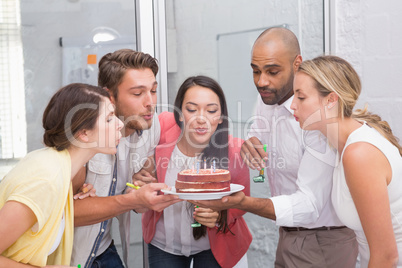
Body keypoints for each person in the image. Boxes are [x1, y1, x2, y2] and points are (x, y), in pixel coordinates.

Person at [192, 27, 358, 267]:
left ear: (297, 64)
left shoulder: (318, 116)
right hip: (289, 233)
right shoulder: (268, 97)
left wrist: (242, 203)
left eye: (272, 71)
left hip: (322, 239)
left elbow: (309, 206)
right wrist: (252, 144)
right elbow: (257, 134)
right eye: (256, 71)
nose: (262, 81)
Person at [70, 49, 180, 268]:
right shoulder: (84, 136)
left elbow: (136, 191)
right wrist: (133, 200)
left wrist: (137, 190)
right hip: (71, 256)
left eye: (153, 91)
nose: (150, 102)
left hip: (104, 247)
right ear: (109, 96)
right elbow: (66, 214)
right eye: (138, 94)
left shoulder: (151, 127)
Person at [291, 55, 402, 267]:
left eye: (301, 97)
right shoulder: (343, 141)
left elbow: (387, 256)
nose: (292, 106)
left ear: (331, 100)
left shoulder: (359, 154)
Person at [0, 83, 123, 267]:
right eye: (109, 119)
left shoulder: (59, 169)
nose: (120, 124)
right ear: (83, 133)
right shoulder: (46, 180)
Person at [140, 76, 252, 268]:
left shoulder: (234, 152)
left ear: (220, 116)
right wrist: (139, 182)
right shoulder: (161, 134)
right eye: (192, 109)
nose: (201, 119)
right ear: (180, 113)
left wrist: (220, 215)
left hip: (214, 245)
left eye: (211, 111)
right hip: (164, 244)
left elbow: (242, 202)